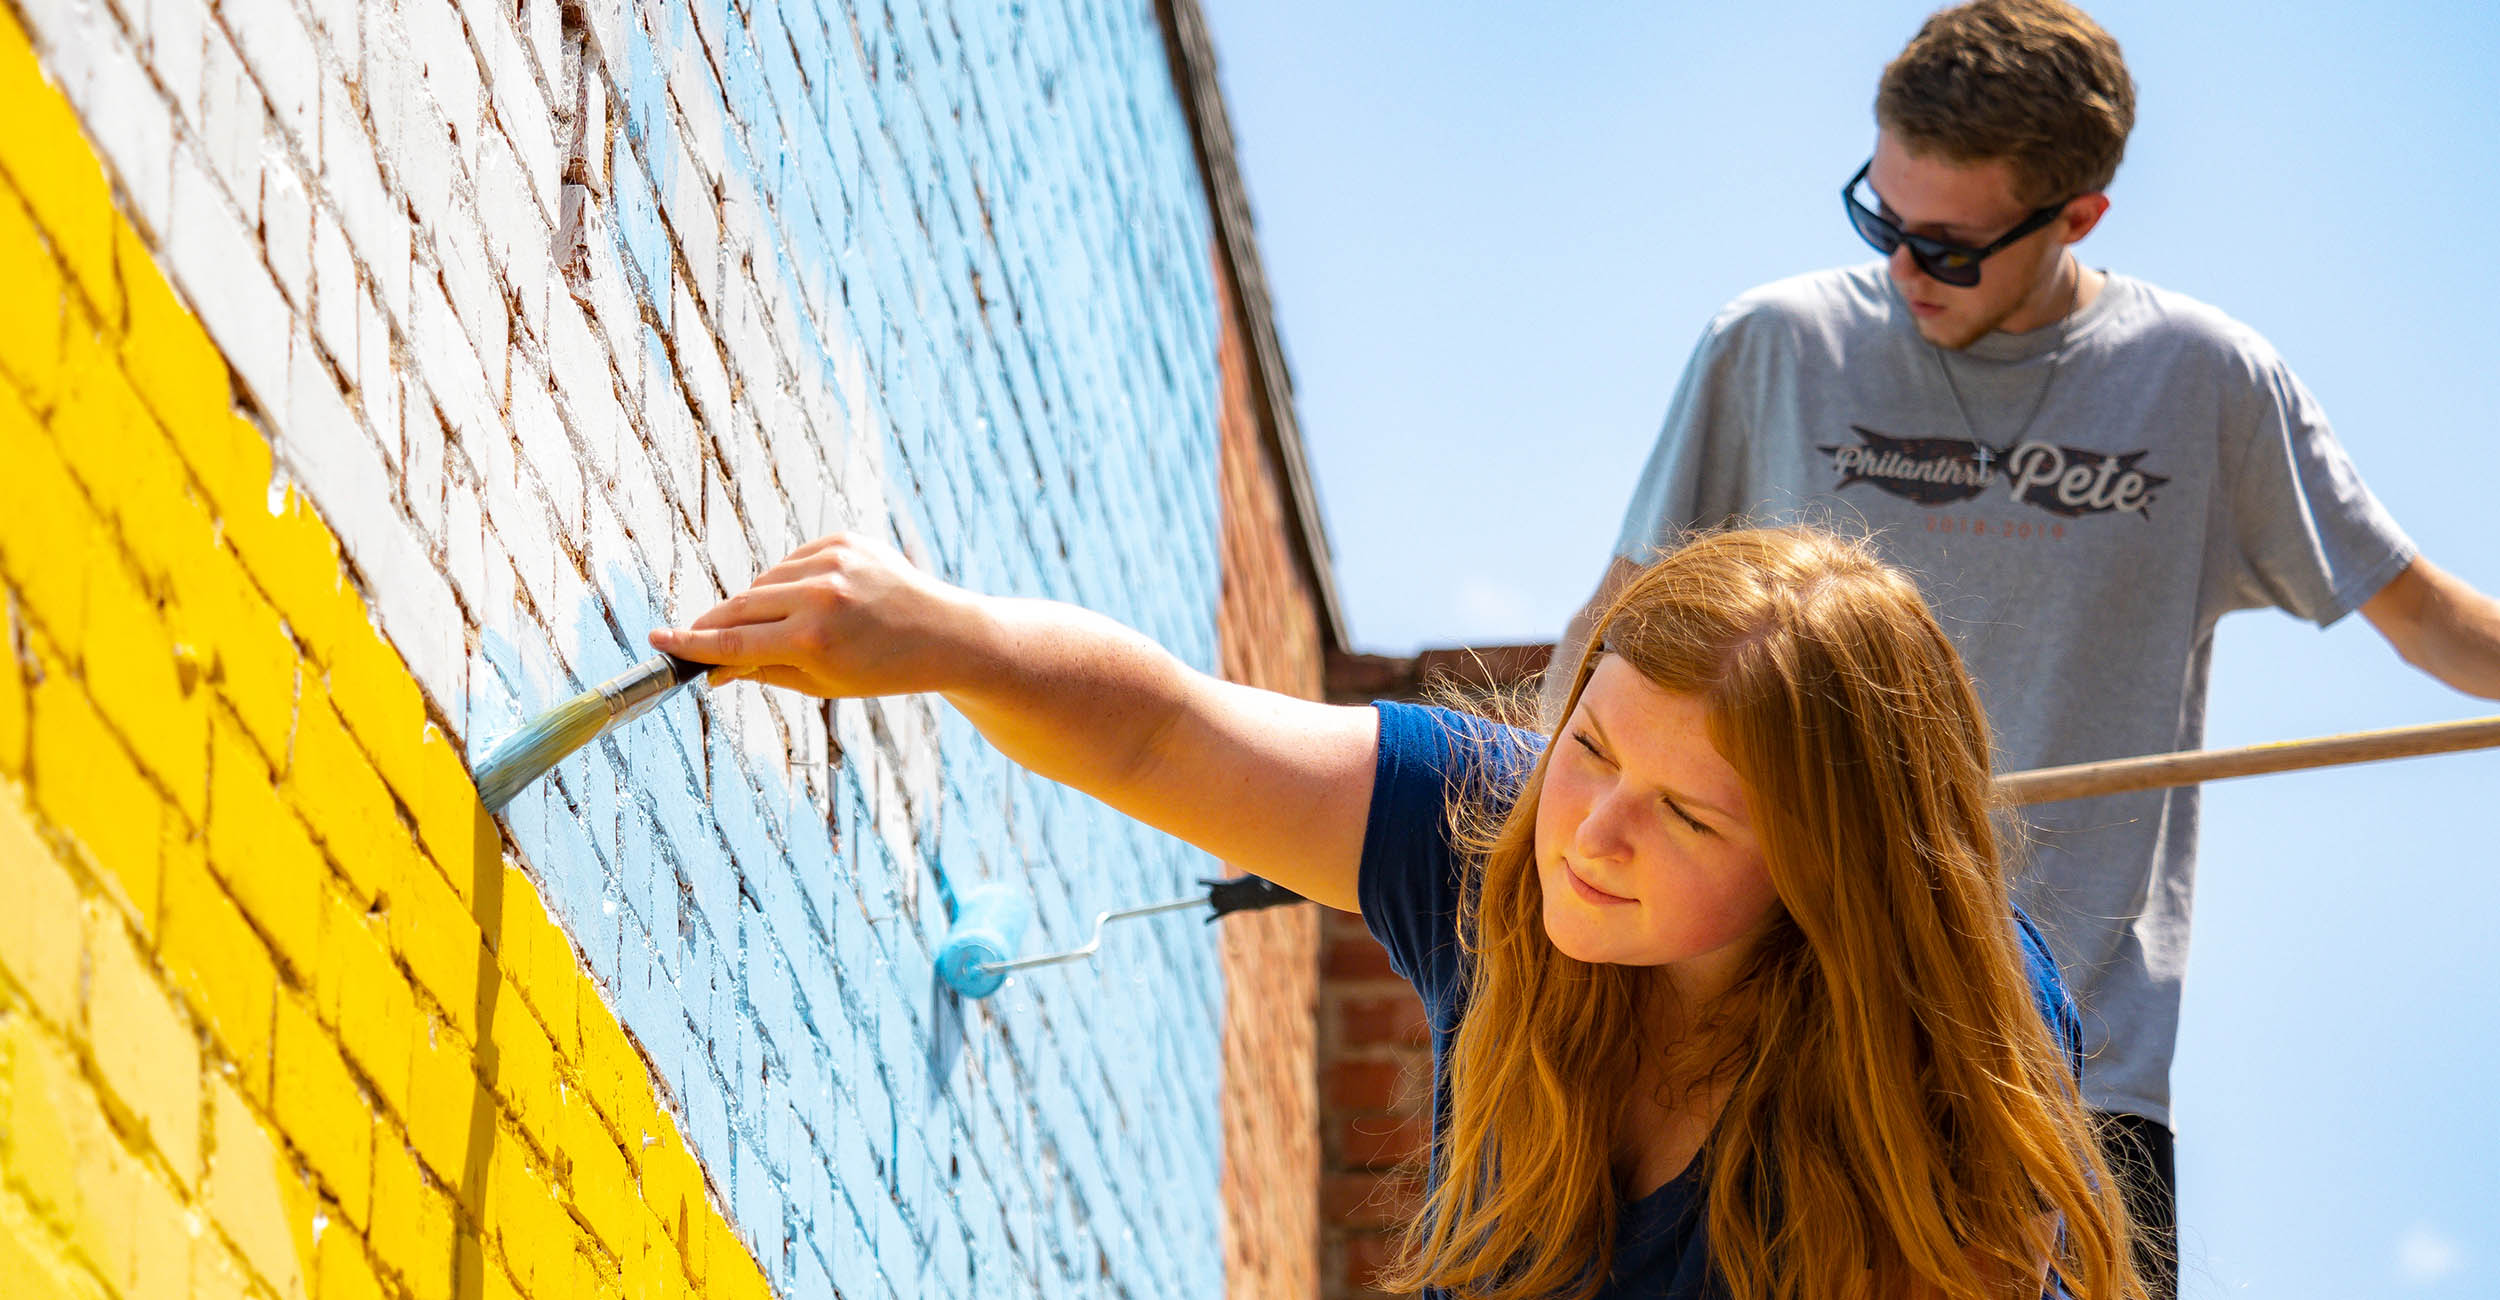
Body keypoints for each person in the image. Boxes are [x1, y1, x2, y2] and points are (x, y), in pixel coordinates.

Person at [1556, 2, 2500, 1294]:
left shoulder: (2205, 383)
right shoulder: (1771, 346)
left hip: (2068, 1073)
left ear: (2078, 217)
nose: (1905, 269)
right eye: (1879, 219)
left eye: (1948, 248)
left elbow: (2428, 618)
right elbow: (1607, 639)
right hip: (1767, 1035)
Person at [652, 526, 2147, 1300]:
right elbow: (1165, 733)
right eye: (1592, 749)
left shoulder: (1942, 1065)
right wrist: (948, 637)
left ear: (1828, 876)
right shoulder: (1495, 832)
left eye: (1689, 816)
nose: (1591, 835)